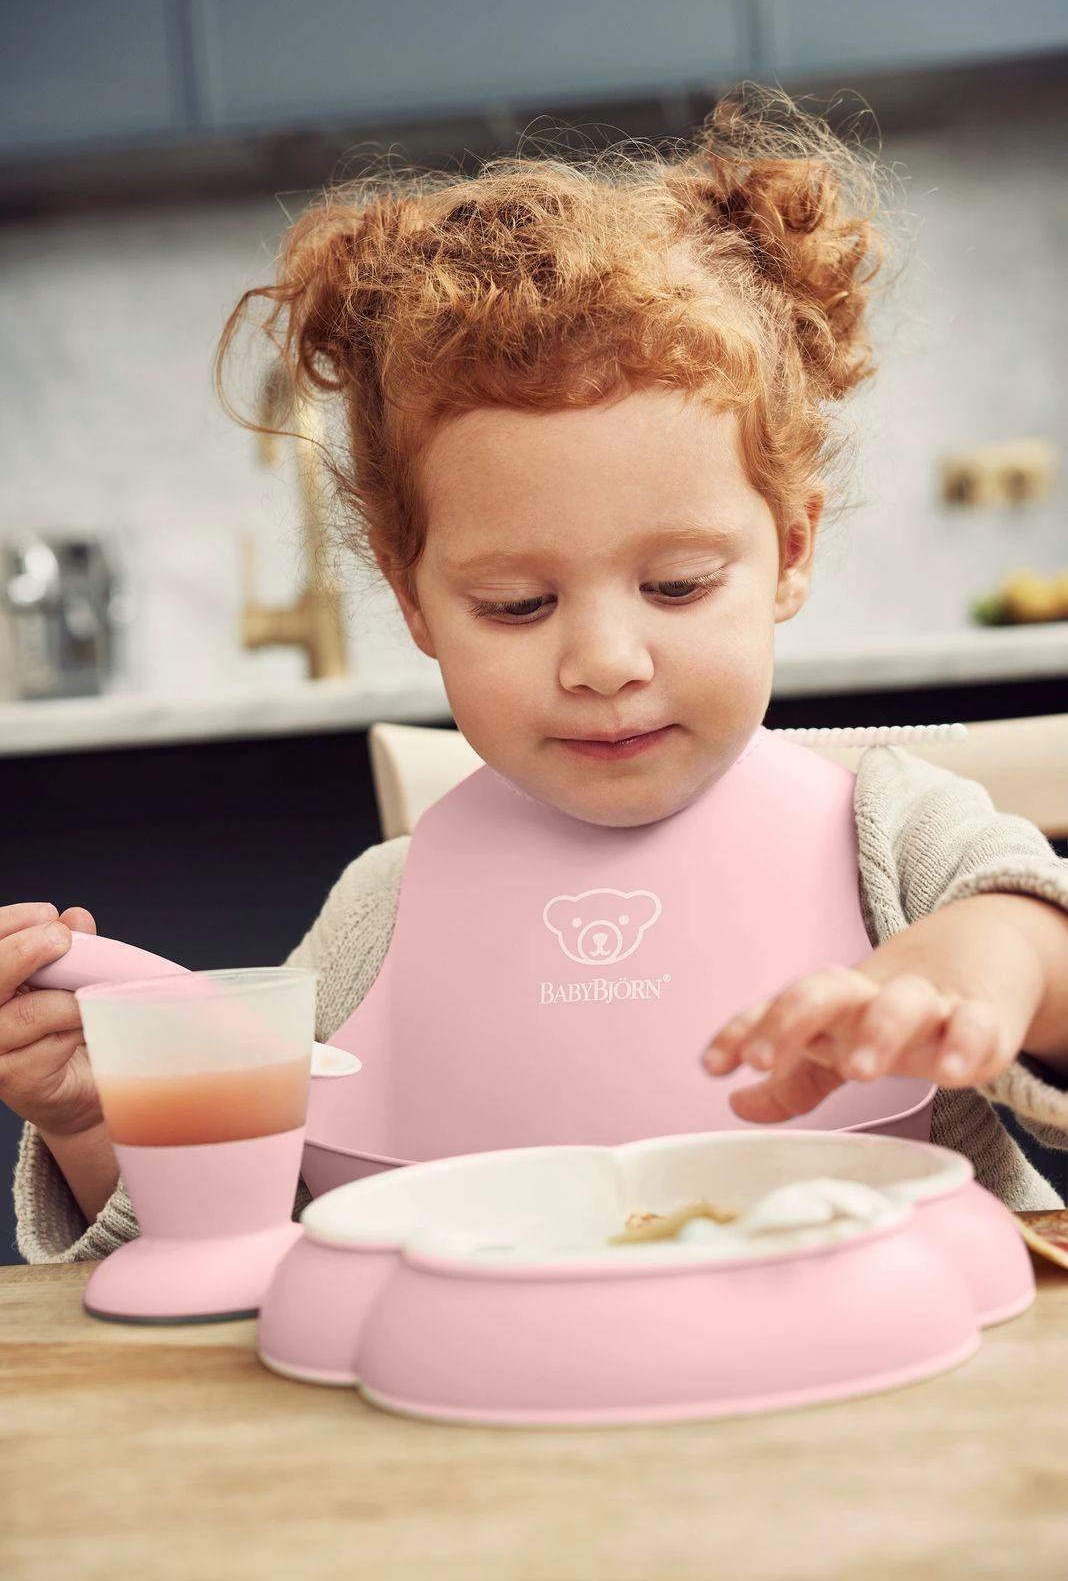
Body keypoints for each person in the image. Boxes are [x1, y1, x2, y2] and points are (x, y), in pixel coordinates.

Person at [8, 87, 1068, 1264]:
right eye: (517, 604)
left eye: (676, 586)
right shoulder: (380, 911)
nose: (606, 663)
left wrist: (992, 957)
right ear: (414, 601)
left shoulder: (899, 837)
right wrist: (96, 1122)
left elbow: (1047, 952)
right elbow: (241, 1250)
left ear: (791, 550)